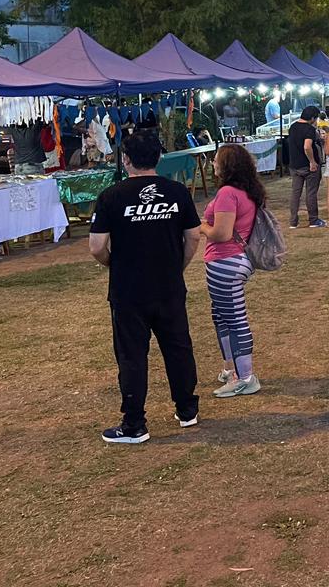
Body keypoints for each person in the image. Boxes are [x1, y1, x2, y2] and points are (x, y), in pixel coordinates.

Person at [88, 131, 201, 443]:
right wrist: (178, 266)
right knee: (178, 347)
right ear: (159, 158)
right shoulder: (177, 192)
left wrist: (114, 263)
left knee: (132, 355)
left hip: (129, 290)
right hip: (168, 285)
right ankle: (187, 409)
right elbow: (193, 235)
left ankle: (135, 423)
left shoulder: (112, 196)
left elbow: (97, 246)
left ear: (126, 160)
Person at [200, 143, 265, 399]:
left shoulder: (228, 193)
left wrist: (202, 227)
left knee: (234, 319)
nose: (213, 163)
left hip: (225, 262)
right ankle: (232, 369)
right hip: (234, 261)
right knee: (224, 316)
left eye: (216, 160)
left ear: (227, 165)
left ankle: (244, 377)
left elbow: (221, 233)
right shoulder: (247, 190)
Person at [287, 105, 326, 228]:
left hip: (294, 165)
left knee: (295, 193)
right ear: (312, 118)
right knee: (311, 193)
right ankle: (313, 220)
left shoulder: (292, 127)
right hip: (308, 166)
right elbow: (307, 146)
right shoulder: (308, 129)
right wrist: (312, 161)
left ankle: (293, 221)